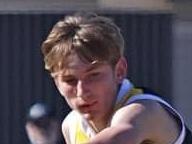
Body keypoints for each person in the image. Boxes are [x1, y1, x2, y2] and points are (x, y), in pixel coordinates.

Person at [40, 12, 192, 144]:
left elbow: (119, 137)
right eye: (70, 80)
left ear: (119, 71)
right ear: (56, 83)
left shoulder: (143, 110)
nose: (82, 91)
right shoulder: (72, 125)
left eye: (94, 75)